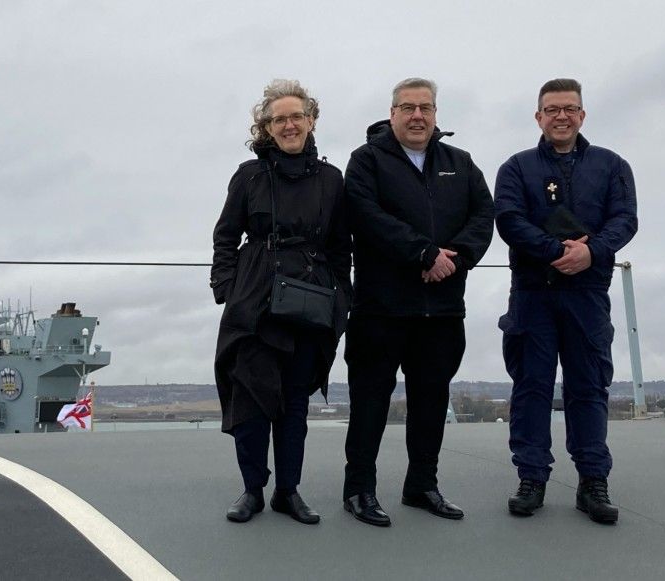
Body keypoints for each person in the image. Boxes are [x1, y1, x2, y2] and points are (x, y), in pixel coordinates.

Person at [342, 78, 494, 526]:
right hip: (380, 309)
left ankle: (421, 485)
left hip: (441, 310)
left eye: (425, 107)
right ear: (392, 114)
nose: (417, 116)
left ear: (435, 113)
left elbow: (483, 216)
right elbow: (366, 217)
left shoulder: (460, 163)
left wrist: (456, 258)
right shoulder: (366, 161)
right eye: (407, 107)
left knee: (431, 402)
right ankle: (359, 491)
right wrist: (423, 253)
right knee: (369, 403)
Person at [495, 78, 637, 524]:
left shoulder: (612, 166)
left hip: (588, 295)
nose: (561, 116)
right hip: (534, 294)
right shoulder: (516, 168)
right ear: (538, 116)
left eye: (570, 108)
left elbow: (625, 218)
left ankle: (593, 481)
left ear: (582, 115)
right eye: (552, 109)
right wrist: (556, 252)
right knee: (532, 387)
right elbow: (509, 219)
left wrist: (591, 251)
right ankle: (532, 477)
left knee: (589, 388)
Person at [211, 79, 351, 525]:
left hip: (308, 302)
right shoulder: (249, 176)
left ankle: (288, 492)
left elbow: (340, 246)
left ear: (311, 121)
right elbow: (226, 237)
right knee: (251, 400)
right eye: (279, 119)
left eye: (296, 117)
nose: (289, 125)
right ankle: (252, 489)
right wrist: (228, 289)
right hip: (254, 300)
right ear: (266, 127)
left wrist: (340, 301)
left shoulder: (331, 179)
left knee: (293, 405)